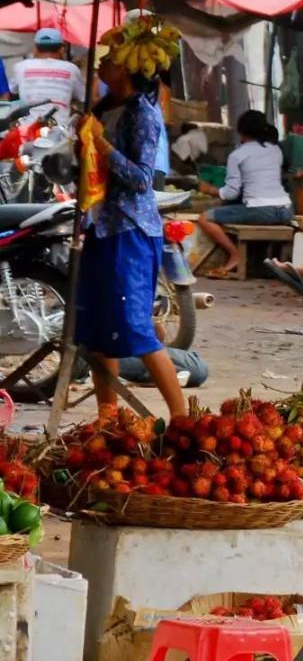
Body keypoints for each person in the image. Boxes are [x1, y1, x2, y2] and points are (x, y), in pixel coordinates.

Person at [79, 39, 187, 418]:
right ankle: (107, 420)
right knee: (95, 332)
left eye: (108, 61)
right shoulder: (102, 108)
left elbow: (142, 179)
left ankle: (181, 417)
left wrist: (102, 145)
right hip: (98, 228)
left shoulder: (143, 114)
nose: (100, 66)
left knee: (135, 327)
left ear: (124, 68)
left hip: (130, 231)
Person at [194, 110, 293, 279]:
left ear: (241, 131)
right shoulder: (276, 150)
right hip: (286, 210)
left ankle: (235, 255)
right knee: (245, 208)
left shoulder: (237, 155)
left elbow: (231, 193)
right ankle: (260, 263)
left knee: (205, 218)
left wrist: (209, 189)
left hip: (261, 211)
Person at [15, 27, 85, 118]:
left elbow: (12, 90)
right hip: (61, 127)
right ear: (61, 49)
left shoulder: (20, 67)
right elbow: (82, 96)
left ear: (35, 48)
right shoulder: (71, 69)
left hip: (26, 127)